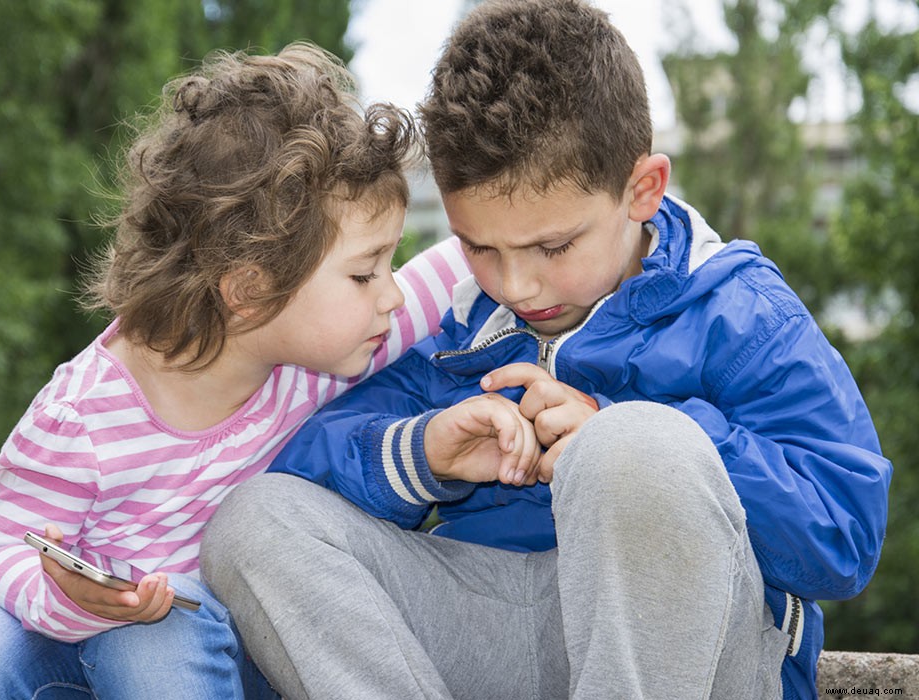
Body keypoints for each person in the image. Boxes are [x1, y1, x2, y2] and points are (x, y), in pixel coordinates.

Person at [199, 2, 892, 699]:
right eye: (479, 247)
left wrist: (623, 428)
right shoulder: (466, 321)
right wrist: (424, 454)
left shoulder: (740, 312)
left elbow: (842, 541)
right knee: (255, 522)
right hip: (492, 620)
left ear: (642, 190)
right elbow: (308, 467)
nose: (517, 284)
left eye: (553, 246)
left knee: (635, 446)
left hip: (689, 649)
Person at [0, 42, 470, 700]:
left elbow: (464, 261)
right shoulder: (81, 418)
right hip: (45, 649)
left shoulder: (316, 357)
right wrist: (70, 596)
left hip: (186, 662)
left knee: (158, 637)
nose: (391, 295)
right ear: (249, 289)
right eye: (366, 271)